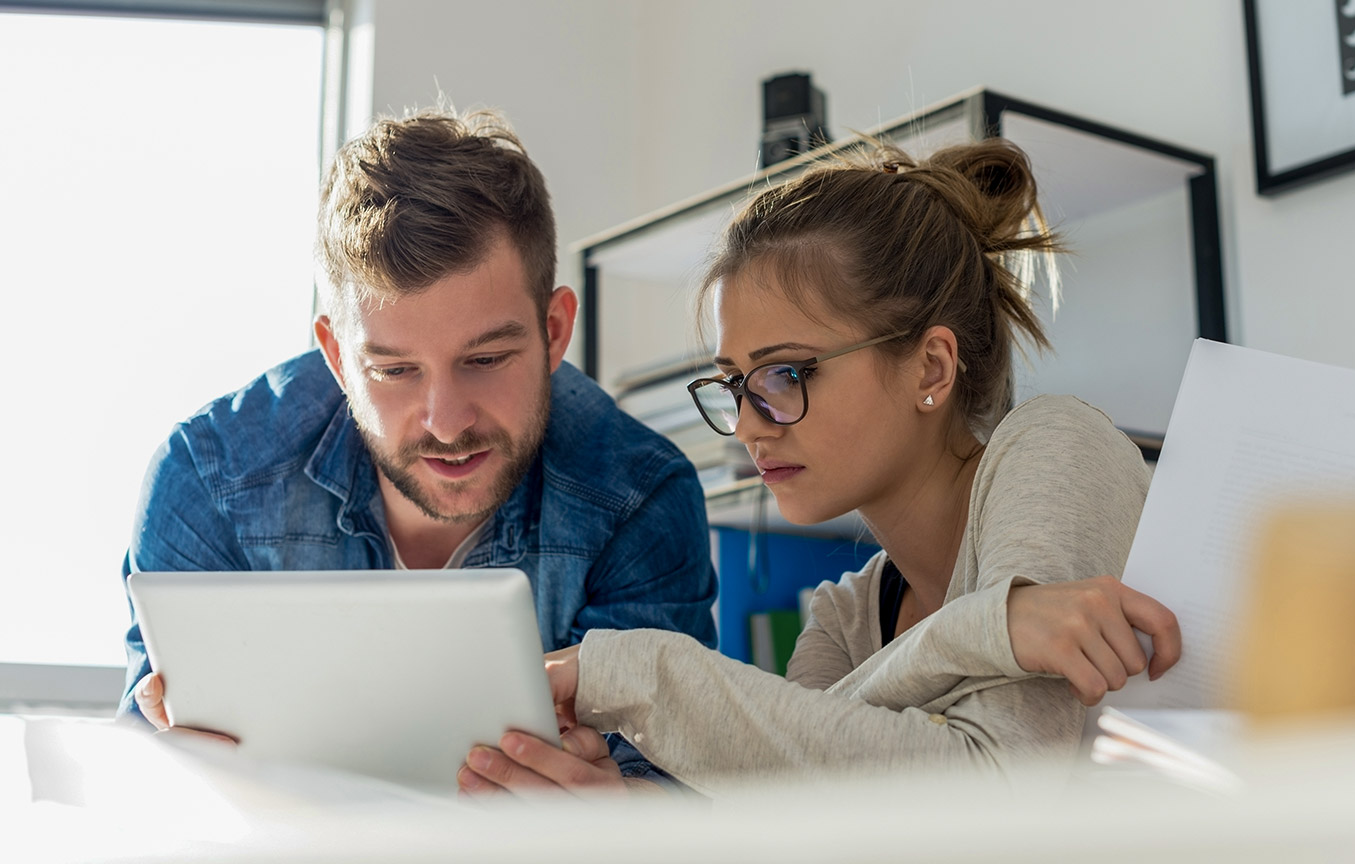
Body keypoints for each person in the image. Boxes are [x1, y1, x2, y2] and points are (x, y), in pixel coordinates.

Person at [457, 137, 1181, 798]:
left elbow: (1001, 790)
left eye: (784, 376)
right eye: (735, 385)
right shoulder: (845, 620)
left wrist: (643, 675)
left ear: (931, 366)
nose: (745, 424)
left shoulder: (1056, 444)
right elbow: (802, 823)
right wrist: (624, 813)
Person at [117, 109, 717, 788]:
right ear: (338, 357)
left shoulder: (639, 497)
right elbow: (151, 787)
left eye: (485, 358)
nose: (447, 423)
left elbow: (668, 788)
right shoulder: (208, 481)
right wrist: (168, 772)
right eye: (396, 371)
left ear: (554, 330)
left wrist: (621, 815)